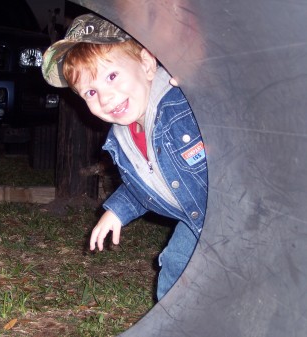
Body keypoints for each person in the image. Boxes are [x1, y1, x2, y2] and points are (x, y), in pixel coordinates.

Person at [41, 13, 208, 301]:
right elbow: (147, 182)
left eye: (112, 76)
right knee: (175, 266)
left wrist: (203, 77)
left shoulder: (183, 96)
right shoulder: (122, 141)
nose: (105, 98)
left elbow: (238, 101)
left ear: (146, 63)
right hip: (198, 225)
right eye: (91, 92)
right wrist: (117, 210)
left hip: (250, 212)